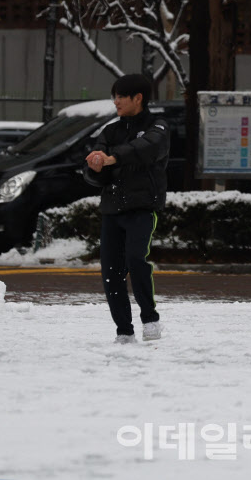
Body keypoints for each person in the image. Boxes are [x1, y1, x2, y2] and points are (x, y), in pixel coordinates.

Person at [84, 73, 169, 343]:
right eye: (115, 96)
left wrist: (112, 157)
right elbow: (95, 171)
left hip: (142, 208)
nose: (116, 101)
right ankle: (124, 330)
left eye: (121, 96)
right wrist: (95, 165)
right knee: (111, 271)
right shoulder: (110, 131)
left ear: (138, 98)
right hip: (112, 210)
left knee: (135, 259)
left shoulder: (158, 127)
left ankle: (150, 318)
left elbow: (146, 148)